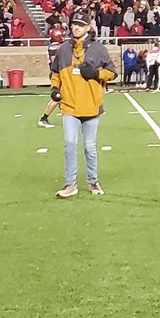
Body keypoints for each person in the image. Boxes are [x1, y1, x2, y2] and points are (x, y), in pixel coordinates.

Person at [53, 31, 118, 198]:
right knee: (70, 142)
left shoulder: (99, 49)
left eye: (81, 25)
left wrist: (97, 74)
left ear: (88, 27)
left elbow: (113, 73)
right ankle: (70, 184)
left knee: (89, 147)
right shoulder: (63, 49)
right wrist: (54, 88)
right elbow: (55, 72)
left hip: (92, 106)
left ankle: (93, 181)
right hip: (69, 106)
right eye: (74, 24)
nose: (76, 28)